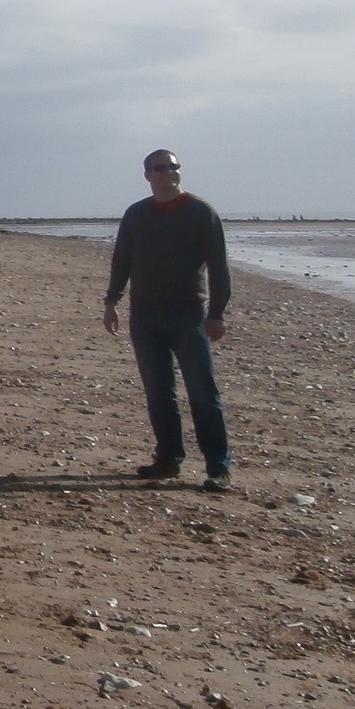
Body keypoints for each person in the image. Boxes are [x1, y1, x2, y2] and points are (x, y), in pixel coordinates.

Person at [102, 149, 232, 491]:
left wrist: (217, 312)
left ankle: (218, 467)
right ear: (147, 175)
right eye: (159, 168)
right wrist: (111, 301)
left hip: (189, 315)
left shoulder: (201, 213)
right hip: (144, 317)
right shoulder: (137, 214)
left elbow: (219, 268)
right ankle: (169, 458)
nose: (167, 173)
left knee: (202, 392)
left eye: (173, 167)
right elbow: (122, 260)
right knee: (159, 392)